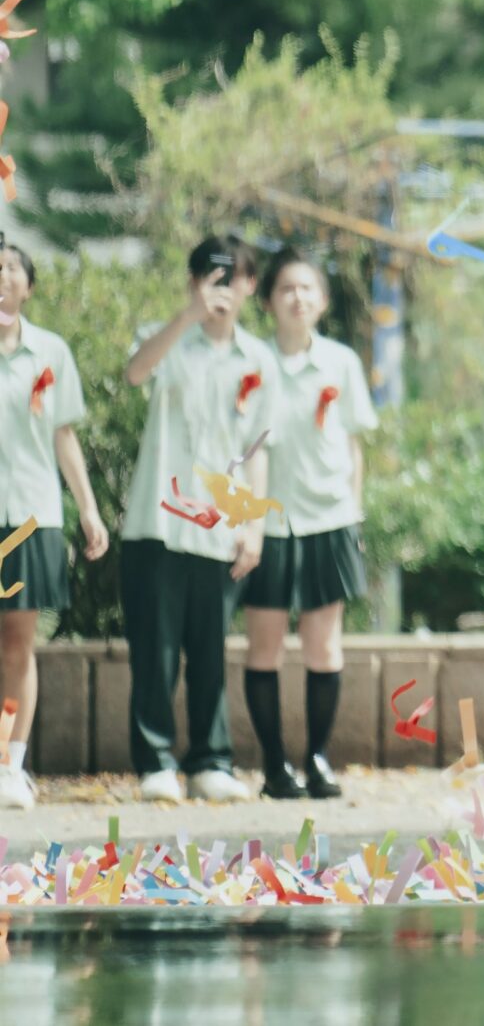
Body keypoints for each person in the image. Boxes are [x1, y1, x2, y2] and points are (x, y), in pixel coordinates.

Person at [121, 234, 277, 804]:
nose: (221, 288)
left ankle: (211, 762)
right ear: (193, 281)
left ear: (250, 285)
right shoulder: (167, 338)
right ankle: (156, 763)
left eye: (232, 277)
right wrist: (187, 316)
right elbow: (136, 372)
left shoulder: (258, 360)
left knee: (211, 650)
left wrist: (254, 526)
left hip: (220, 528)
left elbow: (258, 448)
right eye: (210, 276)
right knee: (155, 651)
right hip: (157, 522)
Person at [238, 247, 379, 801]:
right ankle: (274, 766)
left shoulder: (341, 362)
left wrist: (354, 513)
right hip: (269, 523)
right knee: (264, 647)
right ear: (268, 301)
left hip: (329, 518)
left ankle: (318, 759)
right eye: (286, 288)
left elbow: (353, 445)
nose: (297, 298)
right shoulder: (253, 361)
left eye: (307, 288)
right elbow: (245, 446)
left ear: (322, 300)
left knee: (324, 647)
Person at [0, 236, 109, 811]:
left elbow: (64, 433)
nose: (2, 277)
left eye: (11, 269)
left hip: (30, 515)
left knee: (18, 643)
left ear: (29, 286)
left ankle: (9, 764)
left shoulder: (51, 351)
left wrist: (87, 507)